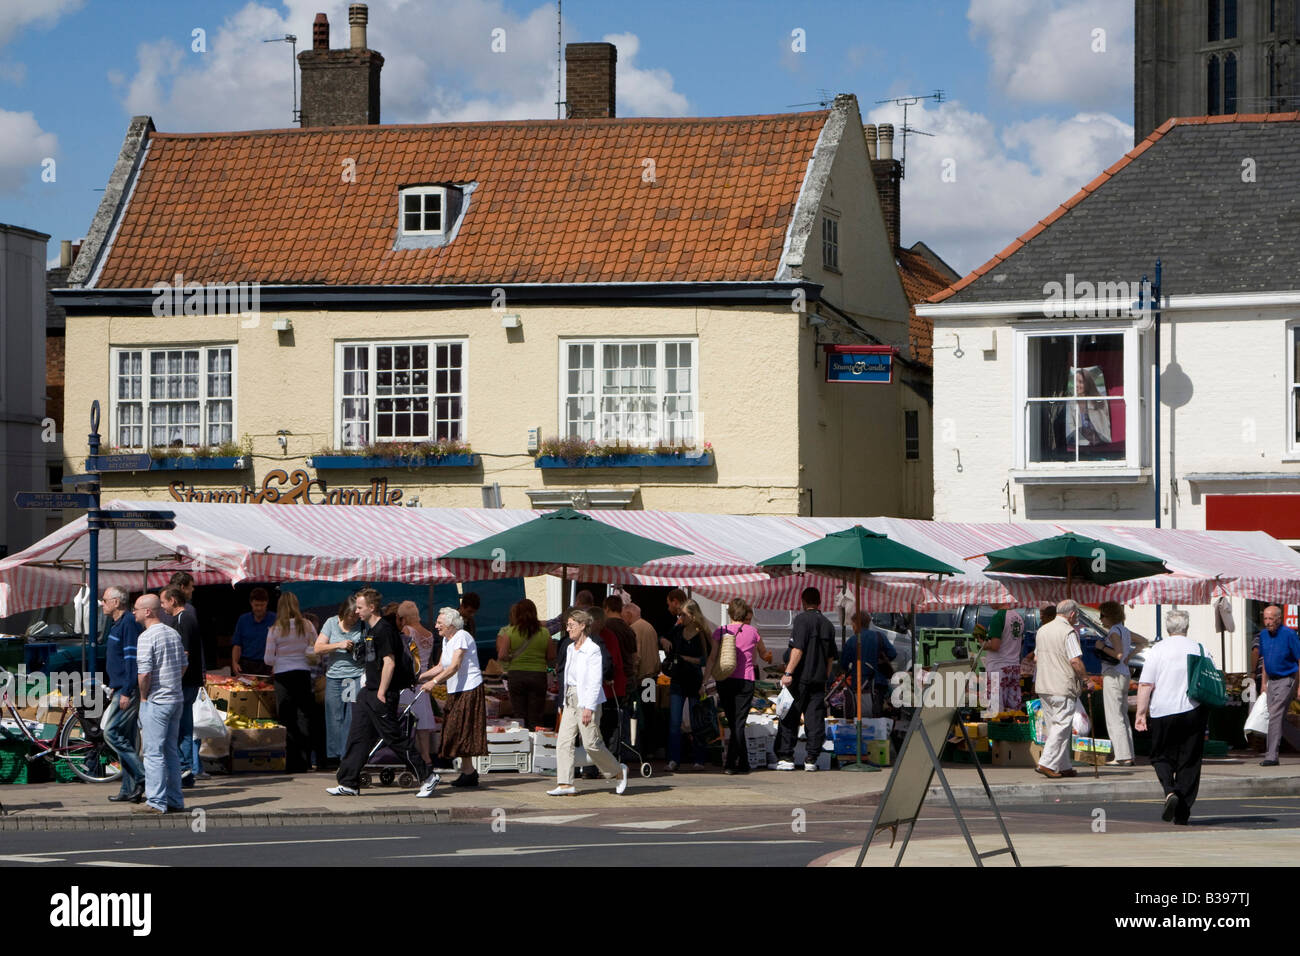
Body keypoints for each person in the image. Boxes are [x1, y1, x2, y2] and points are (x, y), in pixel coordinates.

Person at [329, 588, 436, 798]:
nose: (357, 611)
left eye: (360, 607)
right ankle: (349, 782)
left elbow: (389, 662)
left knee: (393, 736)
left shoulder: (384, 630)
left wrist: (381, 691)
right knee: (357, 736)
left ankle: (427, 776)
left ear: (371, 608)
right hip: (367, 692)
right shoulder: (369, 630)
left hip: (381, 693)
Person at [1136, 609, 1209, 824]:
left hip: (1163, 711)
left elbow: (1146, 684)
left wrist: (1141, 713)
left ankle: (1169, 791)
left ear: (1168, 628)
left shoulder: (1158, 650)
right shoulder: (1199, 648)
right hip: (1194, 708)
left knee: (1160, 755)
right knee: (1190, 760)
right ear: (1187, 627)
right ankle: (1183, 812)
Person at [546, 609, 629, 796]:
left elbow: (594, 681)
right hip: (570, 698)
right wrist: (563, 701)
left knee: (592, 743)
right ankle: (565, 784)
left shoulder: (593, 649)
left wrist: (589, 707)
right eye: (567, 625)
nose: (567, 629)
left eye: (571, 625)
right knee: (563, 742)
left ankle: (617, 771)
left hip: (586, 699)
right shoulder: (569, 647)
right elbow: (565, 677)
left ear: (583, 625)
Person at [132, 594, 187, 814]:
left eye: (136, 608)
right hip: (176, 698)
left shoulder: (146, 637)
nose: (133, 612)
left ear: (148, 611)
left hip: (156, 700)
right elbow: (184, 664)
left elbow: (144, 673)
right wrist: (172, 682)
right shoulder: (173, 633)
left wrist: (144, 696)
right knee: (171, 751)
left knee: (153, 753)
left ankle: (156, 801)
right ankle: (175, 799)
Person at [421, 607, 486, 787]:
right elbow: (441, 666)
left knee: (462, 729)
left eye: (439, 623)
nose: (436, 626)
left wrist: (433, 683)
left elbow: (455, 666)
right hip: (456, 689)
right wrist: (419, 677)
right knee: (456, 729)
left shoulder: (462, 636)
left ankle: (469, 773)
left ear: (450, 625)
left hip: (469, 689)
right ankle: (469, 772)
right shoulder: (446, 640)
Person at [775, 587, 835, 772]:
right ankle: (811, 758)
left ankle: (786, 756)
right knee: (815, 718)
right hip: (818, 679)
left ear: (803, 601)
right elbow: (830, 658)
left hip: (800, 678)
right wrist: (825, 676)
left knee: (790, 716)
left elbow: (798, 649)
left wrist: (788, 673)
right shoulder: (828, 624)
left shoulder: (801, 620)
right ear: (819, 602)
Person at [265, 592, 320, 774]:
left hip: (283, 675)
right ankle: (305, 761)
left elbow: (268, 659)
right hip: (303, 673)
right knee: (304, 716)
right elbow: (316, 647)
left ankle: (290, 761)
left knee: (287, 717)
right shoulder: (307, 625)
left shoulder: (275, 630)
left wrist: (282, 658)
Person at [1033, 599, 1087, 779]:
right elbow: (1075, 660)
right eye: (1077, 615)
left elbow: (1035, 658)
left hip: (1044, 684)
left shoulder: (1043, 630)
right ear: (1072, 614)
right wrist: (1085, 679)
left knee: (1054, 726)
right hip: (1062, 685)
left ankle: (1063, 765)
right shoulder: (1067, 631)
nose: (1076, 619)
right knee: (1062, 726)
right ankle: (1046, 763)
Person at [102, 586, 145, 804]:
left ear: (117, 602)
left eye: (105, 600)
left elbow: (132, 660)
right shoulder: (116, 624)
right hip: (119, 688)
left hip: (126, 690)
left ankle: (141, 774)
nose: (102, 603)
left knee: (110, 732)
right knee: (126, 739)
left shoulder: (128, 623)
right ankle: (129, 790)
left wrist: (127, 690)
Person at [715, 598, 767, 774]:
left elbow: (713, 656)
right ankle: (735, 763)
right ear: (745, 614)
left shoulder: (720, 631)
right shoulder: (753, 631)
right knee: (739, 722)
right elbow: (764, 653)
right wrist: (767, 657)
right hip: (746, 680)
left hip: (725, 680)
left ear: (730, 613)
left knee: (734, 722)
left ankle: (738, 762)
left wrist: (706, 677)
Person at [660, 598, 712, 771]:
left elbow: (705, 659)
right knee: (674, 722)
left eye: (684, 614)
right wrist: (664, 640)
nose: (680, 617)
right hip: (678, 680)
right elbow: (663, 637)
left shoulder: (702, 633)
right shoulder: (678, 630)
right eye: (680, 614)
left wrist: (685, 658)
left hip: (695, 680)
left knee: (697, 720)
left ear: (693, 615)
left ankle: (699, 759)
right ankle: (673, 759)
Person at [314, 596, 364, 771]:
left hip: (353, 677)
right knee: (334, 717)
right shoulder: (331, 623)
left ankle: (346, 757)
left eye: (356, 615)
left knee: (350, 717)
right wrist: (338, 645)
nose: (354, 619)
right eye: (351, 616)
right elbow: (317, 648)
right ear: (343, 613)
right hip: (334, 677)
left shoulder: (362, 625)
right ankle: (334, 755)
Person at [160, 586, 202, 788]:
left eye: (163, 602)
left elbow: (184, 654)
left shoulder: (183, 620)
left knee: (182, 727)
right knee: (182, 726)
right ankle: (185, 770)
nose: (162, 606)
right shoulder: (185, 619)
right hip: (189, 682)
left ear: (173, 600)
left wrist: (175, 680)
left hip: (185, 682)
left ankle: (185, 770)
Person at [496, 598, 555, 731]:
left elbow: (502, 655)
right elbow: (552, 656)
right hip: (538, 676)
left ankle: (520, 744)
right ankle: (536, 745)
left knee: (519, 714)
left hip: (516, 675)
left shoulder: (510, 632)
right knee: (536, 715)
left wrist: (513, 658)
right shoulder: (544, 632)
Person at [1257, 604, 1300, 766]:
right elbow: (1265, 660)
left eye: (1271, 619)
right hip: (1271, 680)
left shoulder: (1289, 634)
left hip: (1287, 679)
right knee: (1277, 718)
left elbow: (1299, 659)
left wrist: (1299, 685)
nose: (1267, 622)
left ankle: (1271, 756)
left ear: (1279, 619)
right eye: (1265, 619)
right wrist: (1263, 683)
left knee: (1275, 715)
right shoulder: (1263, 635)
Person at [397, 601, 438, 768]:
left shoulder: (407, 631)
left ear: (404, 617)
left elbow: (405, 656)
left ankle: (410, 755)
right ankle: (426, 756)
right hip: (425, 679)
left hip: (410, 680)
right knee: (423, 721)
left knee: (408, 718)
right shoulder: (429, 634)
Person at [1095, 601, 1135, 766]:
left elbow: (1117, 654)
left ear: (1109, 616)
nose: (1101, 619)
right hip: (1124, 674)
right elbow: (1144, 642)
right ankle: (1128, 754)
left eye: (1102, 615)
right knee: (1122, 716)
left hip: (1113, 674)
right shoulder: (1124, 630)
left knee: (1114, 716)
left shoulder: (1113, 632)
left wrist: (1102, 647)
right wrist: (1129, 657)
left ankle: (1122, 756)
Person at [840, 610, 896, 720]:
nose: (852, 627)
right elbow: (892, 653)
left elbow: (844, 664)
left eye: (853, 625)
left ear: (856, 624)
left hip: (859, 684)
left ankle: (862, 734)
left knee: (860, 714)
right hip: (879, 683)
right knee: (877, 714)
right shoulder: (880, 637)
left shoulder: (852, 641)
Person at [625, 601, 663, 756]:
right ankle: (651, 748)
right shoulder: (650, 627)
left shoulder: (634, 629)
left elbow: (637, 656)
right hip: (652, 679)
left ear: (629, 614)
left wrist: (632, 674)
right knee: (650, 713)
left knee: (641, 715)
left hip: (643, 680)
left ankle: (645, 748)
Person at [978, 608, 1024, 716]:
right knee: (1013, 710)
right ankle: (1012, 732)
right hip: (1014, 667)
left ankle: (996, 732)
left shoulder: (998, 617)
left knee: (995, 711)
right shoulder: (1018, 617)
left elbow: (995, 646)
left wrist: (982, 643)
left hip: (998, 668)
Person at [231, 587, 276, 676]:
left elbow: (281, 645)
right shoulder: (243, 620)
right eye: (256, 605)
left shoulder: (275, 619)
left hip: (268, 666)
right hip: (247, 665)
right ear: (251, 603)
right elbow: (237, 645)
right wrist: (235, 663)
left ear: (267, 603)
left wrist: (277, 664)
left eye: (262, 605)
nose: (259, 608)